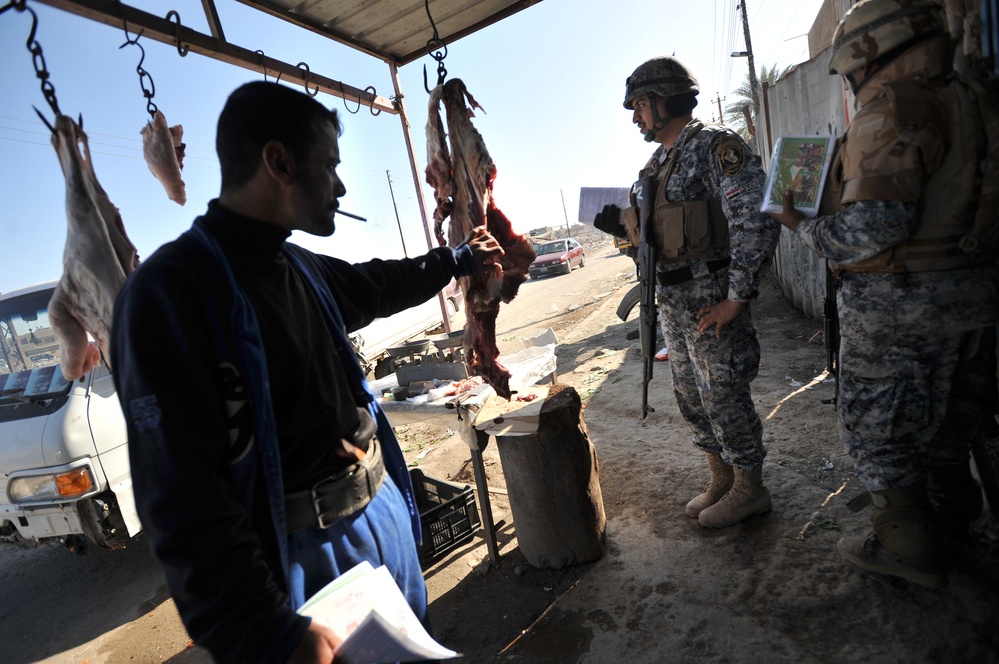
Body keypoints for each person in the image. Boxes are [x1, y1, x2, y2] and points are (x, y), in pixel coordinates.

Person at [110, 81, 504, 663]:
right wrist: (265, 632)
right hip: (301, 558)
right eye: (332, 165)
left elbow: (378, 284)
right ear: (280, 163)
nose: (341, 186)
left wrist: (458, 259)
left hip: (381, 513)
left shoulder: (297, 264)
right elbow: (182, 503)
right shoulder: (170, 294)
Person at [769, 0, 998, 588]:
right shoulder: (973, 96)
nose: (851, 82)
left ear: (871, 55)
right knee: (951, 422)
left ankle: (908, 546)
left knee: (878, 432)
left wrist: (803, 225)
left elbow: (872, 231)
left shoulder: (891, 108)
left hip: (897, 306)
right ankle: (956, 521)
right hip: (971, 300)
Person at [595, 57, 781, 528]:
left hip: (712, 299)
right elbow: (651, 236)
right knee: (690, 398)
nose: (635, 116)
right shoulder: (652, 166)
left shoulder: (715, 147)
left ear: (666, 100)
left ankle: (749, 487)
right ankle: (720, 476)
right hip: (674, 305)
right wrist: (620, 223)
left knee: (724, 394)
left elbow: (754, 220)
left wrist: (736, 298)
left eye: (640, 105)